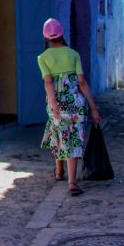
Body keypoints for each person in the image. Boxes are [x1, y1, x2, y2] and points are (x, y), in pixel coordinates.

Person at [38, 18, 101, 196]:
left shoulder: (43, 58)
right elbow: (81, 82)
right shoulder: (73, 54)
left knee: (58, 133)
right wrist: (93, 108)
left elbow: (48, 81)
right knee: (74, 138)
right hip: (75, 103)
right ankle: (72, 181)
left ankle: (59, 172)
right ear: (62, 34)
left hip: (56, 102)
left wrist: (53, 102)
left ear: (46, 38)